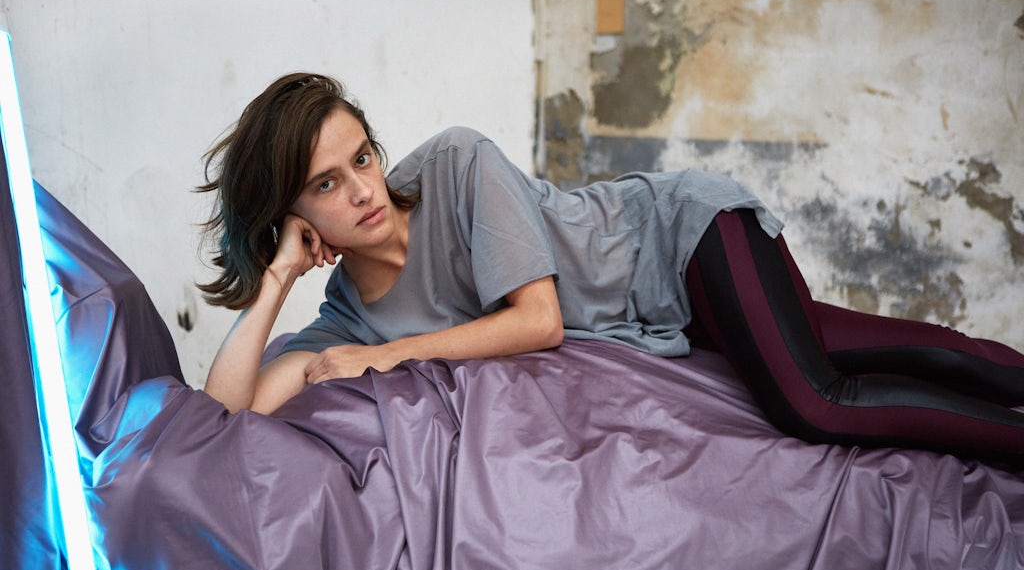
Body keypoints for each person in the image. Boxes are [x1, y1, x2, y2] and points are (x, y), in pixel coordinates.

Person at [197, 72, 1024, 461]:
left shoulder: (455, 163)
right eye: (325, 185)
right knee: (862, 347)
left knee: (816, 400)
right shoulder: (345, 318)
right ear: (294, 216)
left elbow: (539, 322)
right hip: (668, 315)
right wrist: (276, 280)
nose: (362, 189)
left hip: (683, 239)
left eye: (362, 157)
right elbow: (225, 415)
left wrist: (386, 358)